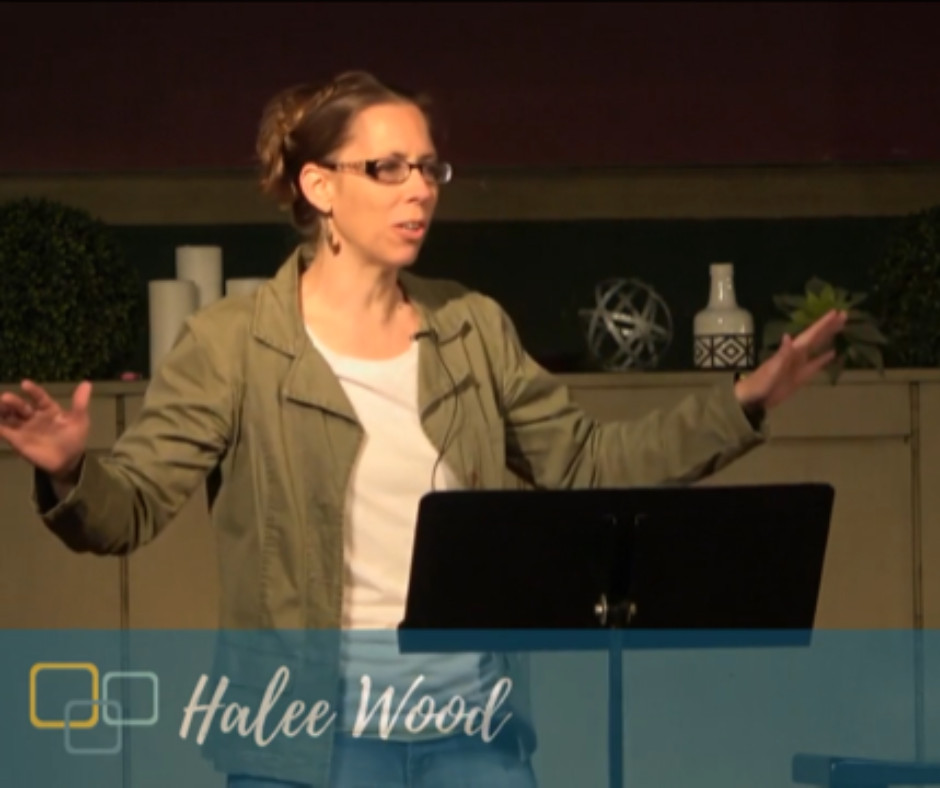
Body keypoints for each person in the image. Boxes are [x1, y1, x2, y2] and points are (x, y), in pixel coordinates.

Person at [0, 70, 846, 787]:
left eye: (429, 167)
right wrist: (71, 471)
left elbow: (587, 464)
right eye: (388, 168)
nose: (420, 188)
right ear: (319, 187)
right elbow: (130, 507)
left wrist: (744, 401)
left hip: (473, 740)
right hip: (311, 745)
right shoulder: (233, 344)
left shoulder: (471, 326)